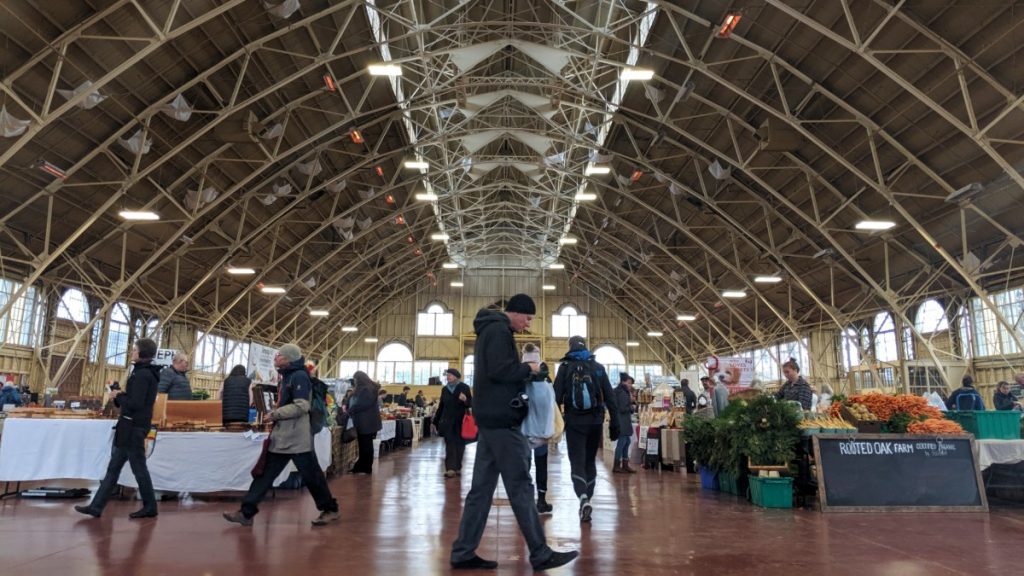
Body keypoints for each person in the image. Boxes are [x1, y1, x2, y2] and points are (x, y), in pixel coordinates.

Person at [450, 294, 577, 572]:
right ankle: (540, 553)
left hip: (490, 420)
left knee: (481, 490)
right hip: (502, 422)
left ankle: (462, 551)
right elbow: (500, 370)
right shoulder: (498, 330)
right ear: (517, 313)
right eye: (528, 318)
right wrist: (528, 368)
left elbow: (496, 371)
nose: (528, 324)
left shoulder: (489, 329)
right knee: (520, 486)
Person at [223, 344, 338, 527]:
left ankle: (329, 509)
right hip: (284, 436)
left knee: (312, 476)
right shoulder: (287, 376)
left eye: (280, 356)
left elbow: (302, 406)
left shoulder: (299, 376)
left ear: (289, 358)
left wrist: (275, 414)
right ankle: (246, 512)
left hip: (297, 438)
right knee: (265, 475)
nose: (276, 358)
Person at [76, 339, 161, 519]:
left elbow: (136, 403)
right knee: (114, 468)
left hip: (133, 428)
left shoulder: (142, 375)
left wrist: (119, 395)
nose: (132, 352)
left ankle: (150, 506)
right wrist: (120, 395)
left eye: (134, 350)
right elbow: (135, 400)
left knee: (137, 469)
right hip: (130, 427)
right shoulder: (143, 373)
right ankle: (96, 506)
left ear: (142, 353)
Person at [553, 335, 619, 524]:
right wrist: (615, 423)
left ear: (570, 347)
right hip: (595, 422)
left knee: (577, 462)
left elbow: (556, 398)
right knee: (590, 462)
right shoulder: (597, 368)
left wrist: (555, 425)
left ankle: (582, 498)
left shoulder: (565, 368)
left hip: (574, 423)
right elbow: (610, 397)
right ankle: (587, 499)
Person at [434, 368, 472, 478]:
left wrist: (465, 399)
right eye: (447, 375)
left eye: (450, 375)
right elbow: (441, 406)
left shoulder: (464, 387)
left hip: (460, 421)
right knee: (449, 444)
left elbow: (471, 403)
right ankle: (450, 468)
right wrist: (435, 421)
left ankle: (458, 467)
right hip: (447, 421)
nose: (448, 377)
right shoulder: (445, 389)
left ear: (456, 376)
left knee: (460, 444)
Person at [349, 371, 383, 475]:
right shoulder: (370, 388)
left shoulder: (366, 389)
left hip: (366, 422)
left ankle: (365, 467)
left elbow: (363, 404)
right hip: (368, 421)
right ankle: (361, 466)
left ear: (359, 379)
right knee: (365, 445)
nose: (354, 381)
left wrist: (352, 408)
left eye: (355, 379)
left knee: (365, 445)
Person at [612, 373, 636, 474]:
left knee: (626, 442)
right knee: (622, 442)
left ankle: (624, 465)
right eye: (629, 383)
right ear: (623, 382)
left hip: (622, 421)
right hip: (622, 421)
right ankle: (617, 465)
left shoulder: (620, 391)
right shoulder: (622, 393)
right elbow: (622, 408)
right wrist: (632, 407)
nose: (630, 385)